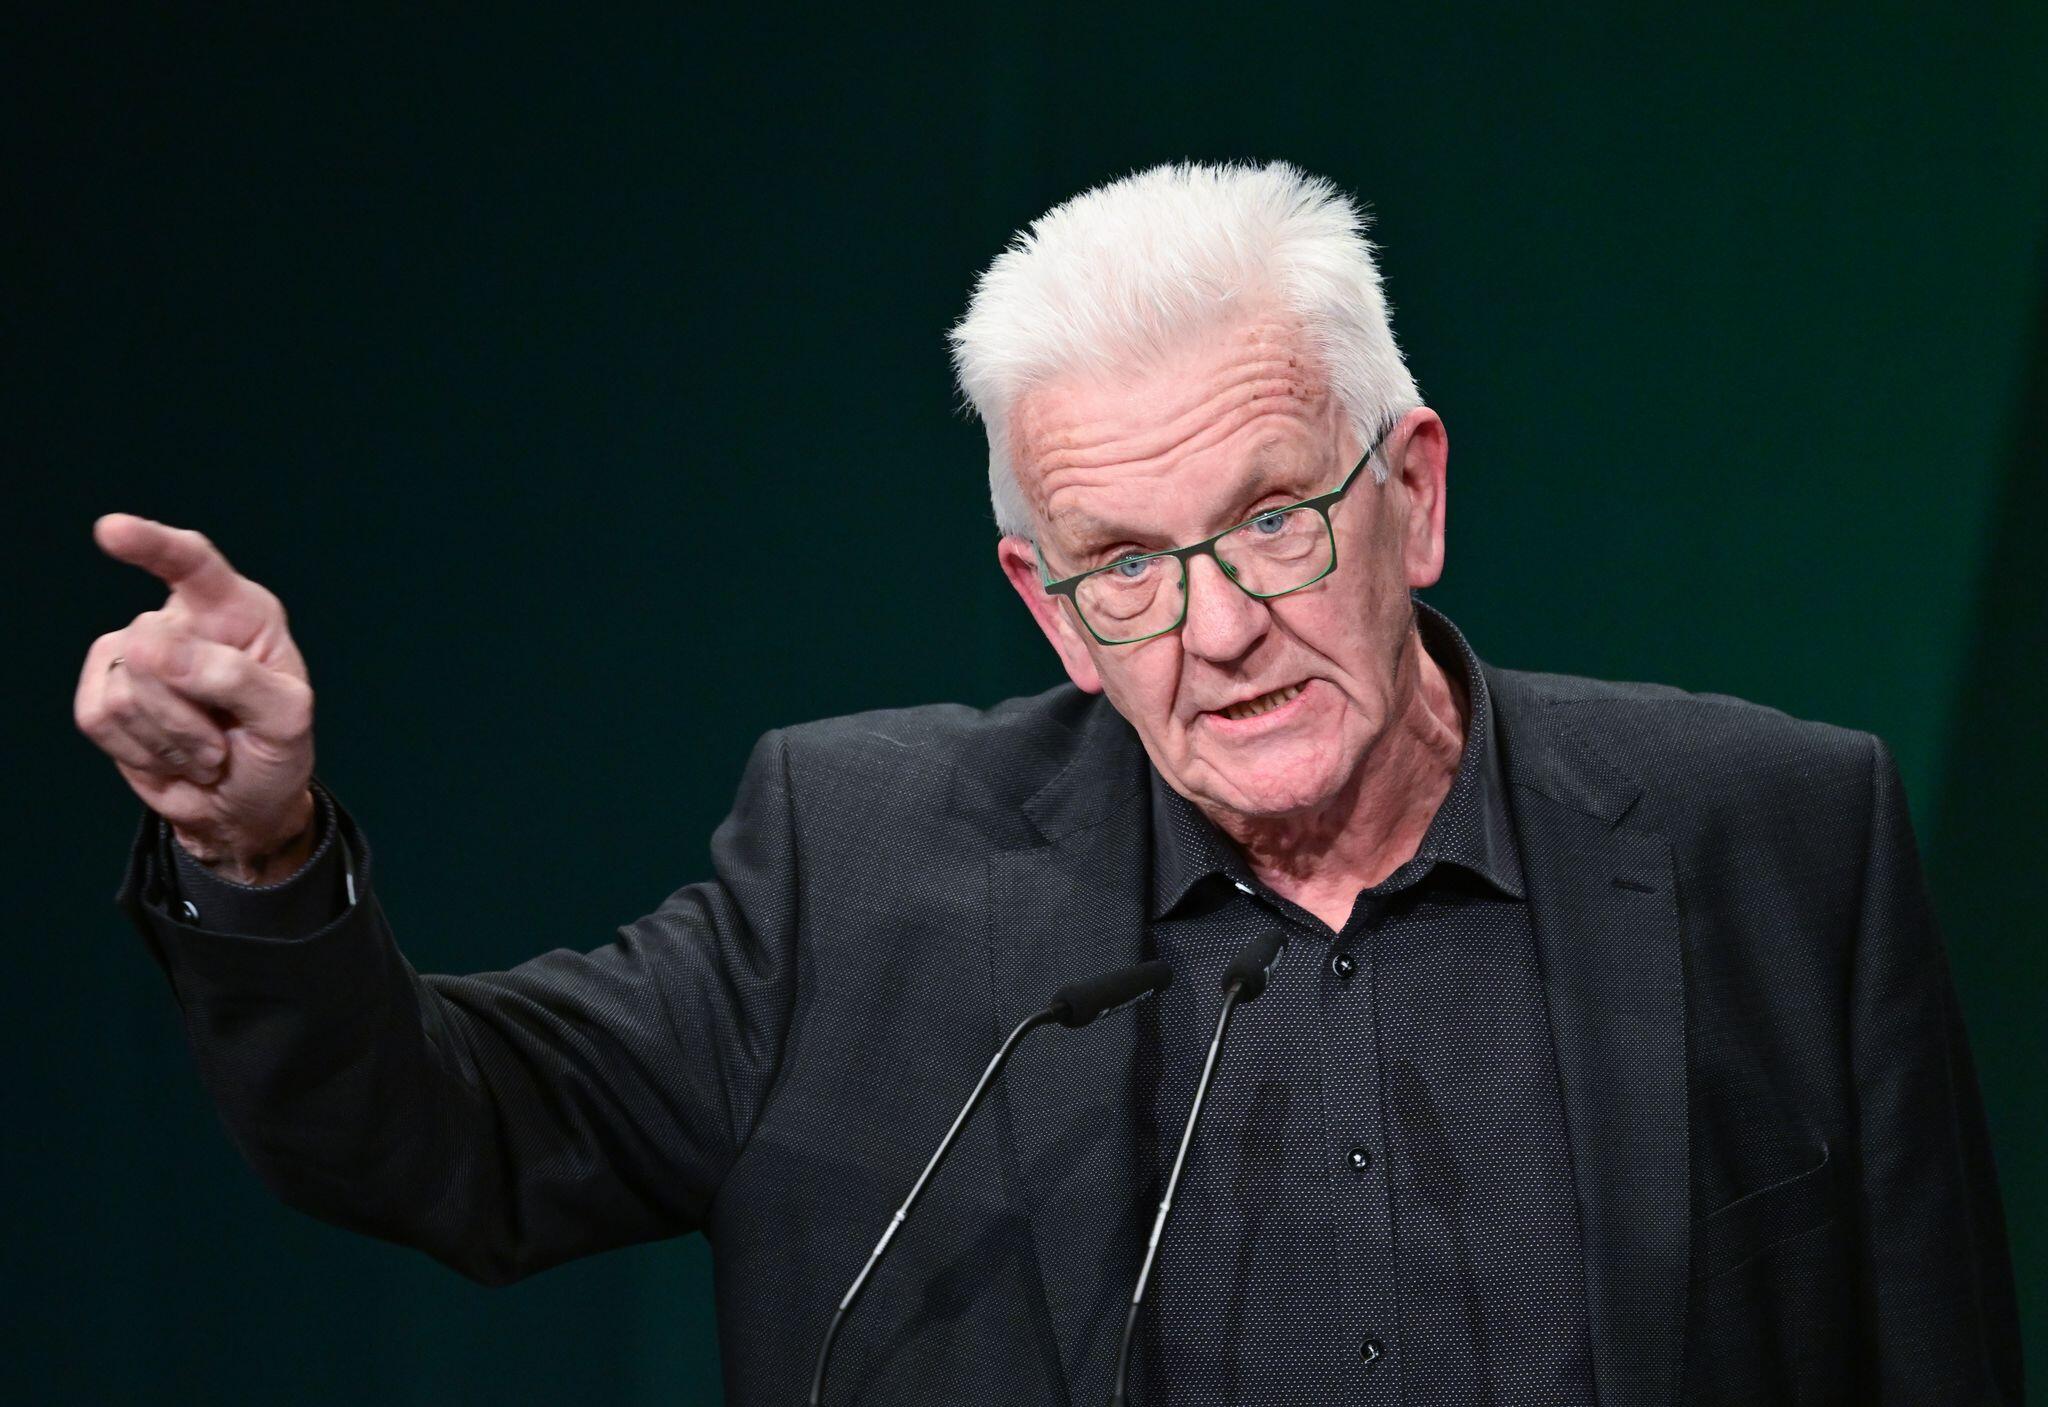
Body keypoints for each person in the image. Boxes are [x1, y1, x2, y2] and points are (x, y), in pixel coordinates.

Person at [77, 161, 2020, 1405]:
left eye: (1272, 520)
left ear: (1412, 494)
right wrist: (257, 848)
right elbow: (446, 1137)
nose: (1219, 628)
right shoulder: (853, 869)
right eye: (1125, 565)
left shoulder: (1779, 835)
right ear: (1048, 605)